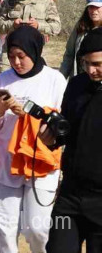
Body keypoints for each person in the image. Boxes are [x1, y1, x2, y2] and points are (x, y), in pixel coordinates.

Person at [0, 26, 66, 253]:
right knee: (5, 229)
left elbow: (61, 125)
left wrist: (33, 115)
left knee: (37, 230)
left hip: (40, 161)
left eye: (21, 56)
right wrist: (1, 110)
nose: (16, 62)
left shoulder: (55, 80)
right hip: (6, 161)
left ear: (34, 51)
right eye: (11, 57)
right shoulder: (3, 79)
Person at [43, 28, 102, 251]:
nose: (91, 70)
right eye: (86, 63)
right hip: (71, 195)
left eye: (97, 63)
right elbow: (66, 130)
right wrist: (51, 138)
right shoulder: (77, 85)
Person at [60, 0, 102, 79]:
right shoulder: (81, 26)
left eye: (97, 7)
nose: (94, 11)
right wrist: (61, 78)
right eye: (91, 7)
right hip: (79, 80)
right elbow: (69, 54)